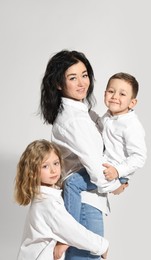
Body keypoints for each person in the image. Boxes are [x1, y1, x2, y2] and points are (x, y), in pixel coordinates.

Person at [40, 50, 128, 260]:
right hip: (85, 204)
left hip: (86, 201)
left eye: (85, 75)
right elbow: (96, 167)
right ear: (59, 84)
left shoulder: (82, 112)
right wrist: (117, 185)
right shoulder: (74, 119)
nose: (82, 83)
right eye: (73, 77)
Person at [55, 72, 147, 256]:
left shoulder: (130, 125)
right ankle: (69, 232)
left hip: (112, 170)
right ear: (104, 93)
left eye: (122, 94)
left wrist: (118, 172)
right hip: (105, 169)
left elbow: (139, 157)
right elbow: (94, 122)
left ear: (132, 103)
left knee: (72, 183)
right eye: (111, 91)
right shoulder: (108, 117)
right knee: (72, 183)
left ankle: (67, 234)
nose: (115, 96)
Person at [14, 139, 109, 260]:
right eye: (45, 166)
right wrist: (102, 245)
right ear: (33, 172)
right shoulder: (48, 203)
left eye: (56, 163)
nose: (53, 170)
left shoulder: (45, 197)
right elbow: (72, 230)